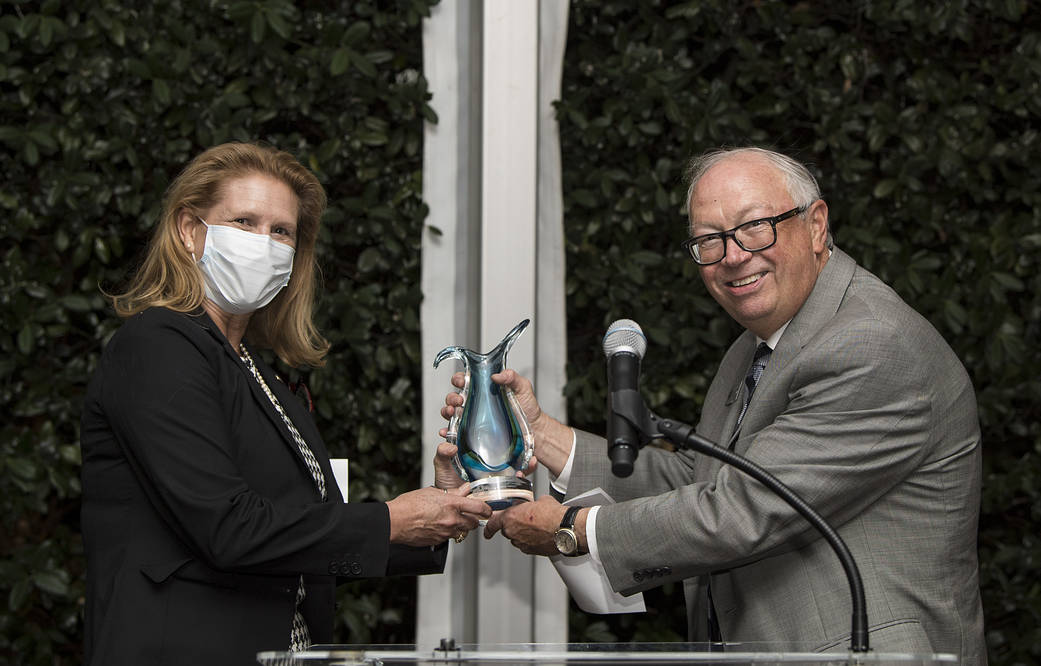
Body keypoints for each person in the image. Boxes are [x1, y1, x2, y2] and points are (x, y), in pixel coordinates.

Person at [444, 147, 986, 662]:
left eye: (755, 226)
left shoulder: (870, 343)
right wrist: (540, 433)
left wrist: (575, 530)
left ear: (816, 225)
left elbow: (743, 512)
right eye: (710, 240)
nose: (732, 256)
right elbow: (701, 481)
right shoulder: (755, 347)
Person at [80, 142, 491, 666]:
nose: (264, 244)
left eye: (282, 232)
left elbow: (302, 530)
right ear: (189, 230)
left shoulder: (260, 370)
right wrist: (390, 520)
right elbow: (229, 529)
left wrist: (441, 504)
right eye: (245, 221)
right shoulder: (158, 344)